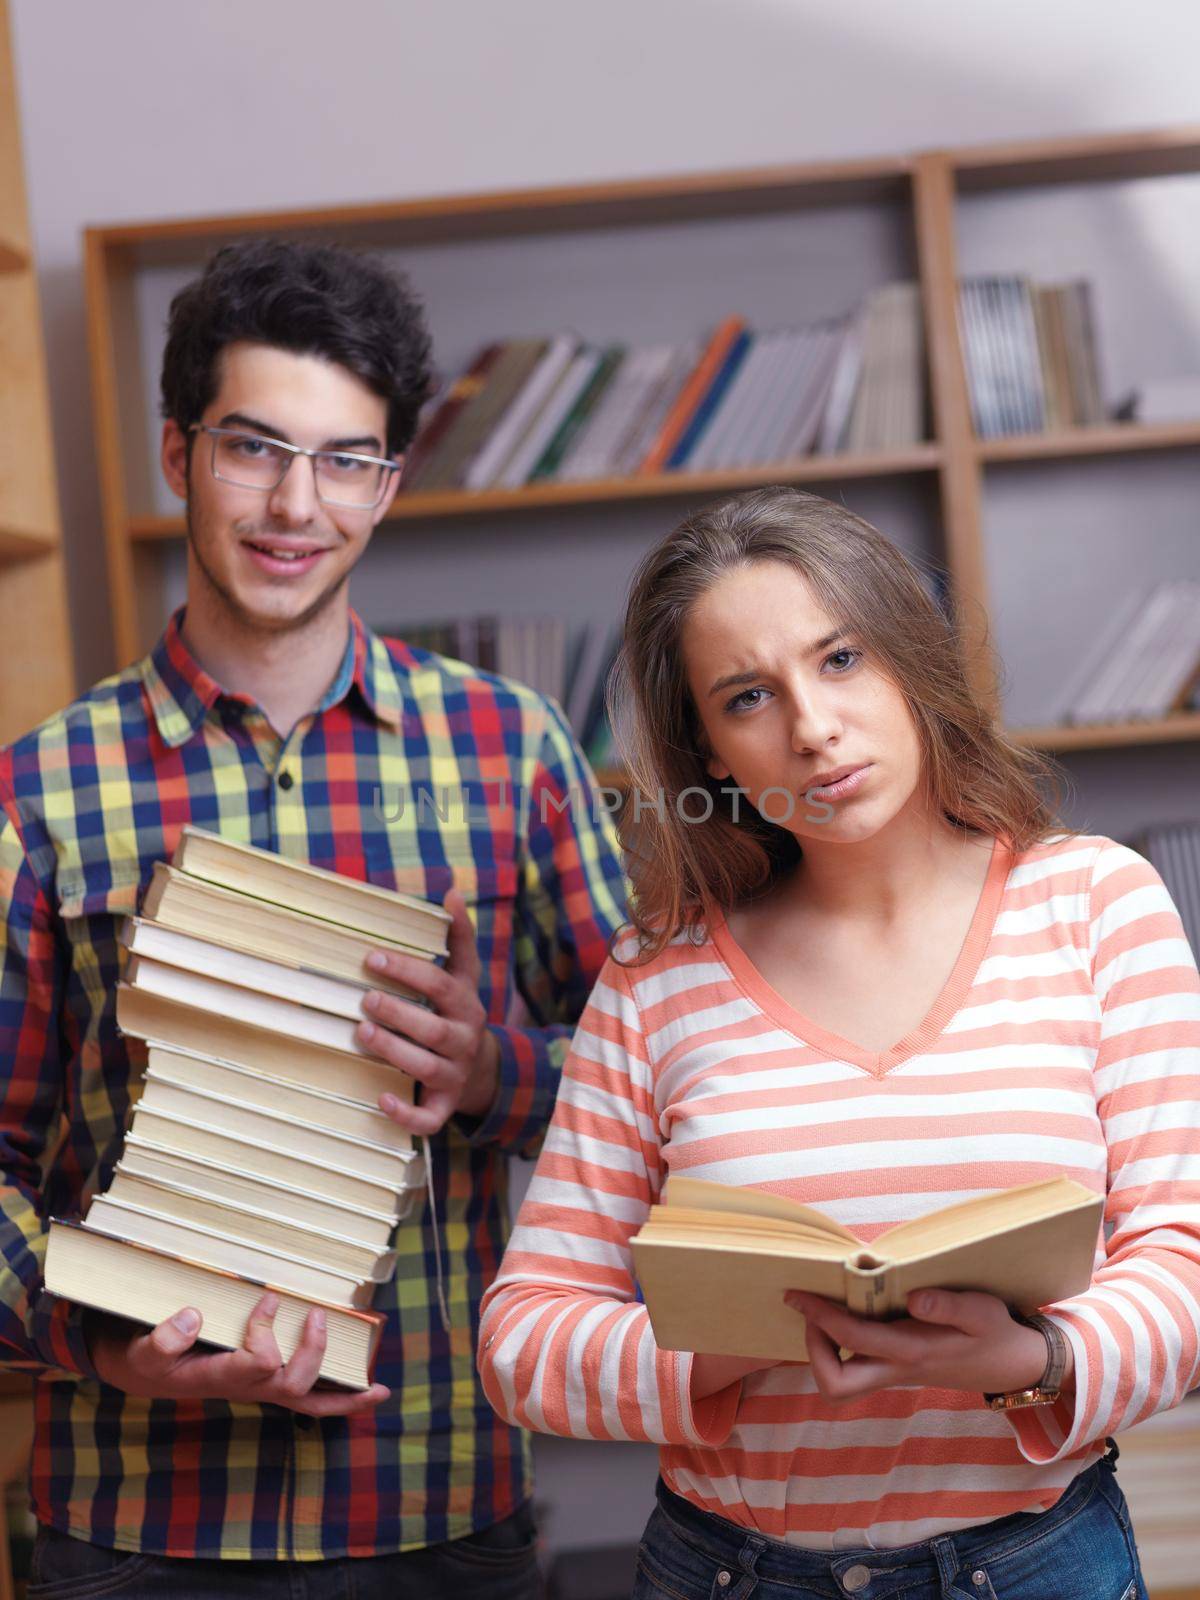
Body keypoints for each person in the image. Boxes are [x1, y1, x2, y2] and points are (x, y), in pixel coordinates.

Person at [0, 237, 628, 1597]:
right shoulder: (38, 791)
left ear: (392, 482)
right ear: (177, 454)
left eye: (347, 459)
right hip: (134, 1532)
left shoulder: (508, 750)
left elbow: (670, 1093)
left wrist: (490, 1071)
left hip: (442, 1511)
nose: (298, 504)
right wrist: (104, 1348)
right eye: (254, 449)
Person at [479, 485, 1200, 1600]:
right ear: (711, 753)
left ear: (912, 661)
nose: (811, 728)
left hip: (1039, 1562)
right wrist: (732, 1345)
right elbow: (521, 1342)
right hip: (730, 1573)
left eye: (843, 659)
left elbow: (1185, 1267)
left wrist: (1034, 1363)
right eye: (749, 695)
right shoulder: (655, 977)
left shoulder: (1098, 905)